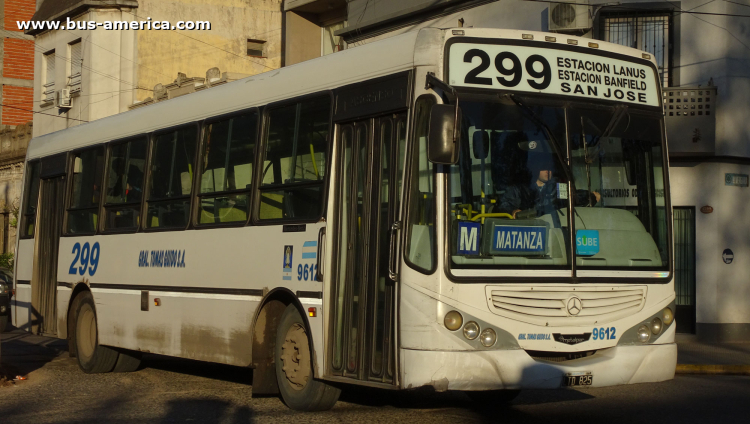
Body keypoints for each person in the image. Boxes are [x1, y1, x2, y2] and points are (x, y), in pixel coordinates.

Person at [499, 157, 600, 220]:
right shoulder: (520, 188)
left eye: (550, 168)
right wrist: (513, 211)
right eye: (544, 168)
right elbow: (504, 204)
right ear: (535, 169)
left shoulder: (557, 187)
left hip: (554, 227)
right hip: (529, 228)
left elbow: (572, 197)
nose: (548, 171)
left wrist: (590, 196)